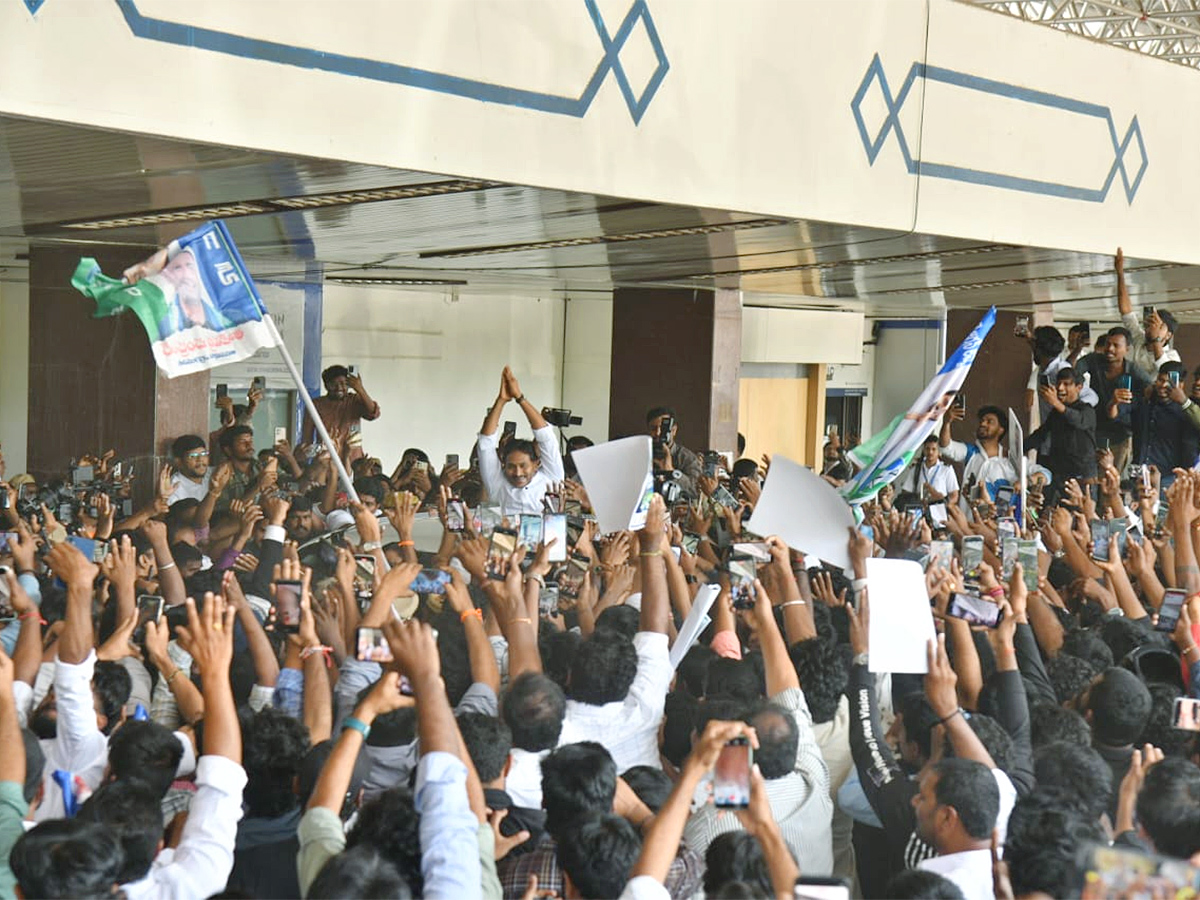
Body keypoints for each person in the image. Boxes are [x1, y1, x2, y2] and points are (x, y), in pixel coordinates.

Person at [475, 367, 565, 516]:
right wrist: (501, 401)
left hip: (547, 539)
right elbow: (485, 444)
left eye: (523, 466)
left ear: (536, 464)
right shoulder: (496, 482)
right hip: (504, 539)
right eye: (511, 466)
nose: (517, 473)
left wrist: (520, 399)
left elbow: (546, 436)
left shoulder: (551, 478)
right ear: (503, 465)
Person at [912, 758, 1001, 900]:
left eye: (922, 797)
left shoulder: (934, 892)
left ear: (947, 817)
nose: (914, 801)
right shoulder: (1018, 874)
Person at [1076, 325, 1148, 473]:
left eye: (1116, 345)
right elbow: (1075, 371)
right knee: (1090, 479)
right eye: (1108, 344)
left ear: (1127, 349)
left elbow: (1150, 388)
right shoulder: (1094, 360)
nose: (1110, 349)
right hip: (1094, 432)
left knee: (1111, 480)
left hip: (1120, 436)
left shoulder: (1134, 371)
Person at [1128, 361, 1200, 483]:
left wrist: (1184, 402)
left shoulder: (1186, 409)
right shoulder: (1151, 403)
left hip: (1174, 476)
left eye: (1170, 382)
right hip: (1145, 472)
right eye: (1197, 379)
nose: (1197, 383)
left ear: (1181, 385)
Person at [1116, 247, 1181, 382]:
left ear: (1169, 335)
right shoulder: (1140, 338)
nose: (1153, 327)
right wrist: (1120, 273)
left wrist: (1155, 339)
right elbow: (1126, 312)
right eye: (1151, 322)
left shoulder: (1172, 356)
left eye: (1160, 325)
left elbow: (1165, 371)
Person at [1026, 368, 1097, 489]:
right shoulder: (1056, 413)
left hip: (1082, 476)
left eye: (1066, 384)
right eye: (1058, 383)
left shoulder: (1087, 410)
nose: (1060, 388)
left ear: (1079, 387)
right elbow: (1040, 435)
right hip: (1060, 473)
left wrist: (1056, 403)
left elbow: (1079, 421)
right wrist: (1017, 449)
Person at [939, 404, 1017, 508]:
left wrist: (1030, 480)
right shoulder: (970, 452)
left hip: (1000, 523)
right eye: (982, 421)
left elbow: (1044, 473)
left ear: (1000, 430)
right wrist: (947, 422)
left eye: (989, 421)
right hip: (969, 522)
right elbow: (946, 446)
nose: (983, 423)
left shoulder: (1011, 459)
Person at [300, 365, 381, 464]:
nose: (339, 388)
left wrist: (360, 389)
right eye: (333, 384)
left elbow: (373, 413)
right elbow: (306, 440)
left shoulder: (354, 400)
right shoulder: (316, 405)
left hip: (354, 463)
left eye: (343, 383)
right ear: (326, 386)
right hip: (326, 463)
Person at [646, 407, 703, 498]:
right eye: (653, 428)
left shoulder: (688, 458)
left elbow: (695, 492)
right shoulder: (641, 455)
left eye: (662, 428)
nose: (657, 433)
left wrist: (672, 472)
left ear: (674, 430)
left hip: (677, 510)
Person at [899, 435, 960, 507]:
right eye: (927, 449)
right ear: (923, 450)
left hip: (939, 511)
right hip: (918, 509)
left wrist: (944, 503)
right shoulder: (916, 469)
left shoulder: (946, 469)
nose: (930, 452)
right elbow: (906, 492)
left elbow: (954, 495)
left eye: (934, 449)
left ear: (939, 451)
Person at [170, 435, 211, 503]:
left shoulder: (212, 474)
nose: (200, 459)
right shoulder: (174, 488)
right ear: (179, 462)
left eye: (203, 454)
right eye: (193, 456)